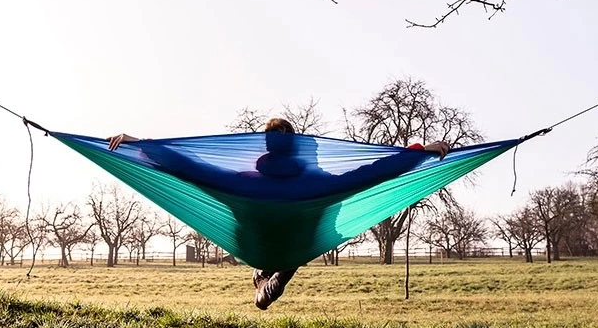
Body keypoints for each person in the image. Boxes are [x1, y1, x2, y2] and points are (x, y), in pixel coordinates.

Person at [108, 117, 451, 310]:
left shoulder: (243, 180)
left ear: (265, 147)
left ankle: (265, 271)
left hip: (254, 241)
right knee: (318, 210)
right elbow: (374, 172)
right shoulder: (319, 182)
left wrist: (142, 145)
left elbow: (189, 167)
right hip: (298, 242)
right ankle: (281, 269)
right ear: (299, 148)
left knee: (266, 209)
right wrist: (419, 151)